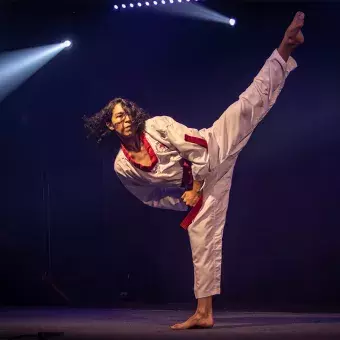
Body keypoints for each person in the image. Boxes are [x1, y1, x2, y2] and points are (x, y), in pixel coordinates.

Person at [83, 11, 305, 330]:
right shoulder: (122, 167)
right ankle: (204, 313)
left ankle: (286, 46)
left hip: (210, 148)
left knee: (245, 107)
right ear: (110, 125)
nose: (125, 119)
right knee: (201, 238)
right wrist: (183, 201)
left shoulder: (157, 126)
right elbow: (150, 197)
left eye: (127, 113)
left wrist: (196, 188)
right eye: (117, 118)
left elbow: (197, 148)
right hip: (198, 188)